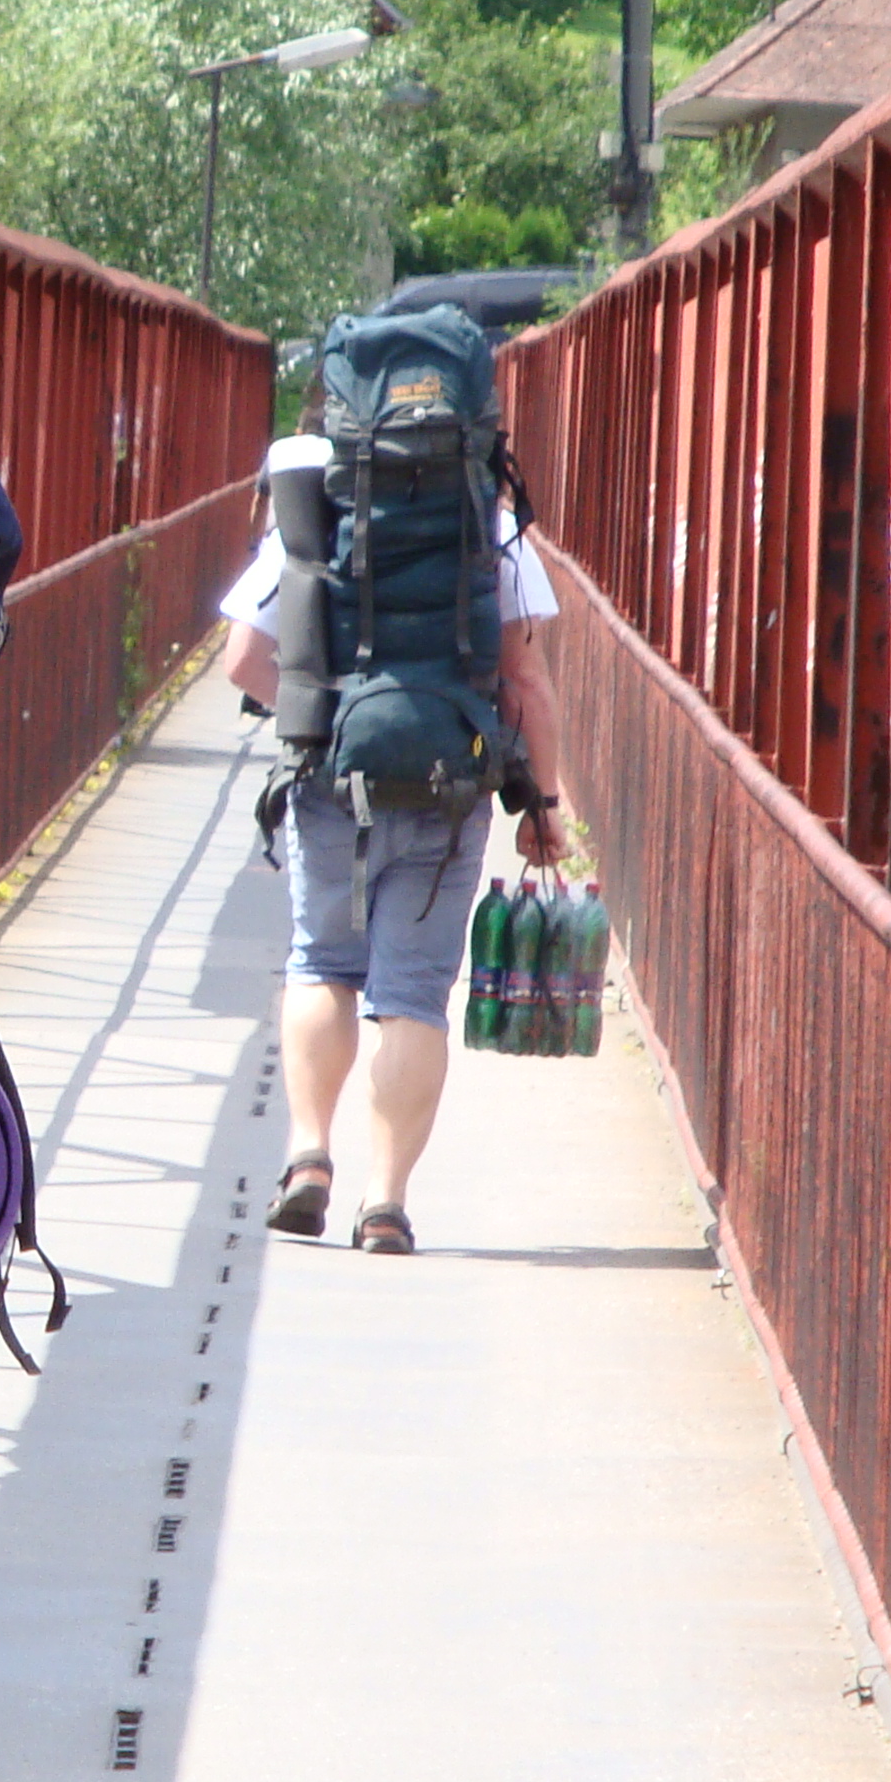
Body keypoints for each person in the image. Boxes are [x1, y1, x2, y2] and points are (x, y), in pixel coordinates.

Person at [219, 437, 569, 1255]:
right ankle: (384, 1204)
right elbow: (526, 681)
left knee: (319, 962)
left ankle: (309, 1156)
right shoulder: (488, 520)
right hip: (449, 789)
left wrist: (322, 727)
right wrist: (542, 803)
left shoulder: (316, 508)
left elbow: (242, 658)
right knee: (411, 995)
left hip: (331, 783)